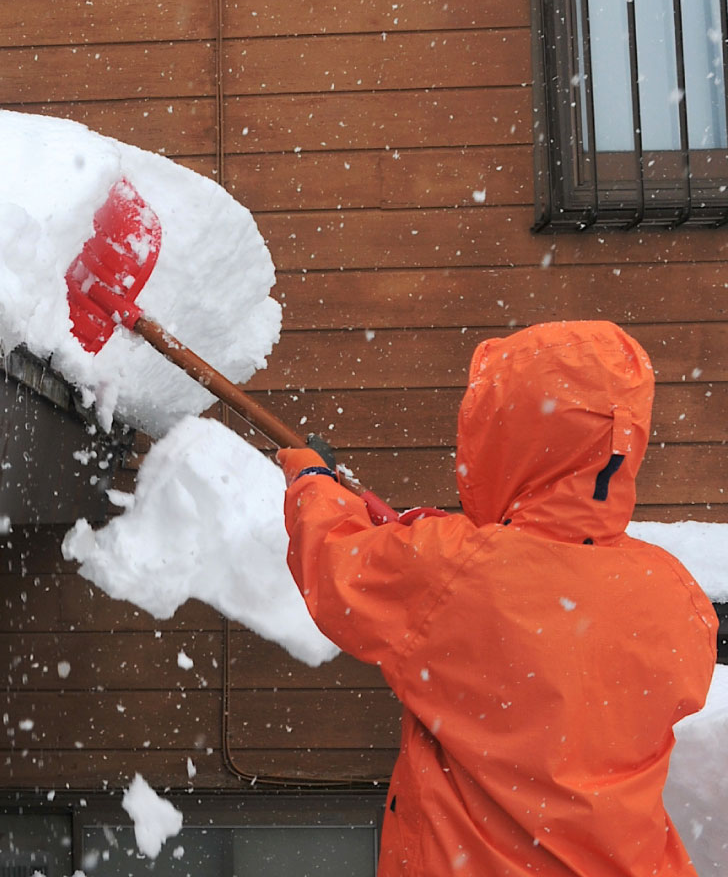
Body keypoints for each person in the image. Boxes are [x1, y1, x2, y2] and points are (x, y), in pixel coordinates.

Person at [277, 320, 717, 877]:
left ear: (507, 438)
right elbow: (534, 597)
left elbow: (338, 566)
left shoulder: (457, 569)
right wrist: (443, 540)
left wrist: (311, 482)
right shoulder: (673, 589)